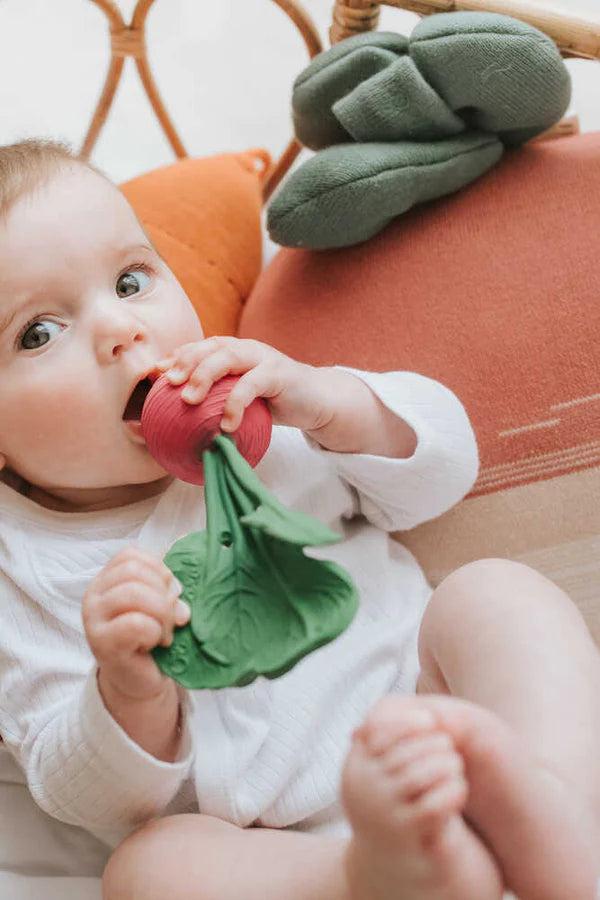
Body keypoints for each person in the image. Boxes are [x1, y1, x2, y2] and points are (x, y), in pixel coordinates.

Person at [0, 139, 597, 900]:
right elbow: (78, 790)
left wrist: (334, 404)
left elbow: (442, 474)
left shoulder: (264, 409)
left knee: (494, 593)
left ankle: (555, 806)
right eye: (37, 333)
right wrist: (126, 692)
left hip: (431, 697)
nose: (120, 329)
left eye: (130, 279)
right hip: (270, 846)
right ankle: (378, 876)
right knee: (148, 869)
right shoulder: (17, 565)